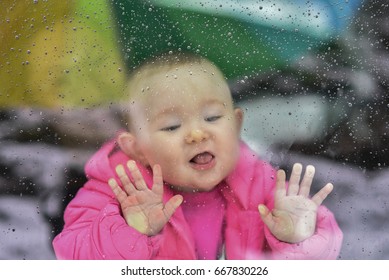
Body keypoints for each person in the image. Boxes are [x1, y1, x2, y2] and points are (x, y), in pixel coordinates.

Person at [52, 52, 343, 260]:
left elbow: (322, 252)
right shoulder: (116, 190)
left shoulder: (262, 186)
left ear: (237, 124)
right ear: (135, 147)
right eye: (172, 125)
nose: (197, 134)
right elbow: (74, 255)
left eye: (213, 117)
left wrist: (299, 238)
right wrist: (131, 231)